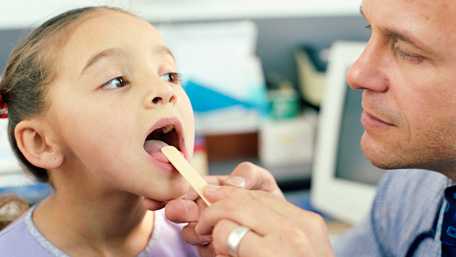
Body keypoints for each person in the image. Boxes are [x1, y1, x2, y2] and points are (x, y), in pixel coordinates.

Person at [165, 0, 456, 256]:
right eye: (369, 30)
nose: (356, 74)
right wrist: (282, 237)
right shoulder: (414, 183)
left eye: (406, 51)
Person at [0, 6, 278, 257]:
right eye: (116, 81)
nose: (165, 91)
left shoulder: (213, 239)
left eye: (169, 75)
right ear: (41, 143)